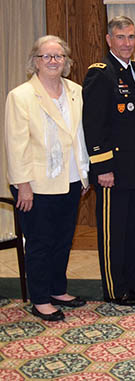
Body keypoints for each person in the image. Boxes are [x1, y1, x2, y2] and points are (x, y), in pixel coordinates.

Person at [5, 35, 90, 321]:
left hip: (70, 178)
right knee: (40, 242)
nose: (54, 61)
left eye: (59, 56)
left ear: (66, 61)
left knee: (63, 239)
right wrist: (23, 186)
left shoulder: (76, 91)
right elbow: (16, 145)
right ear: (35, 61)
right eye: (47, 56)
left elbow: (79, 136)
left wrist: (83, 174)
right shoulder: (21, 96)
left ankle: (57, 289)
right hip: (35, 183)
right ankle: (40, 298)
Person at [83, 16, 135, 306]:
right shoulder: (101, 73)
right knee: (114, 232)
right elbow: (94, 124)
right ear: (109, 40)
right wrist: (102, 168)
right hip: (112, 170)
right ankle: (114, 289)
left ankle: (131, 283)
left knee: (133, 230)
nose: (127, 43)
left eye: (132, 37)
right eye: (121, 37)